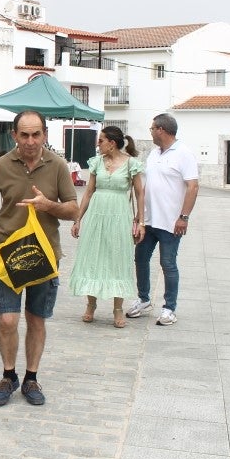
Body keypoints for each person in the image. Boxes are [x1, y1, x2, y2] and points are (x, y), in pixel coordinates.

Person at [0, 110, 78, 407]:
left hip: (45, 256)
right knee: (7, 320)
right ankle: (8, 375)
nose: (30, 141)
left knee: (36, 320)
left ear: (44, 135)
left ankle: (31, 378)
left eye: (36, 134)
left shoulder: (57, 166)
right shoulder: (2, 165)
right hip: (9, 257)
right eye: (24, 135)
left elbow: (73, 210)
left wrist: (48, 205)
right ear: (14, 135)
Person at [126, 113, 199, 325]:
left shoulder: (184, 153)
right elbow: (146, 186)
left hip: (170, 221)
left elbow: (192, 186)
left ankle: (169, 308)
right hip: (148, 220)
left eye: (152, 129)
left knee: (168, 263)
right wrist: (139, 215)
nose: (150, 132)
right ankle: (143, 299)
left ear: (161, 130)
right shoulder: (153, 154)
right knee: (140, 259)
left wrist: (183, 217)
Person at [69, 126, 145, 328]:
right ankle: (91, 304)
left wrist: (140, 221)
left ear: (112, 143)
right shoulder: (96, 163)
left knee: (118, 258)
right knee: (92, 256)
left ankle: (118, 308)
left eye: (101, 140)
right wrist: (78, 219)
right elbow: (88, 192)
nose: (98, 143)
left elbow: (139, 193)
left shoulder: (131, 164)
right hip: (96, 215)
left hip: (120, 216)